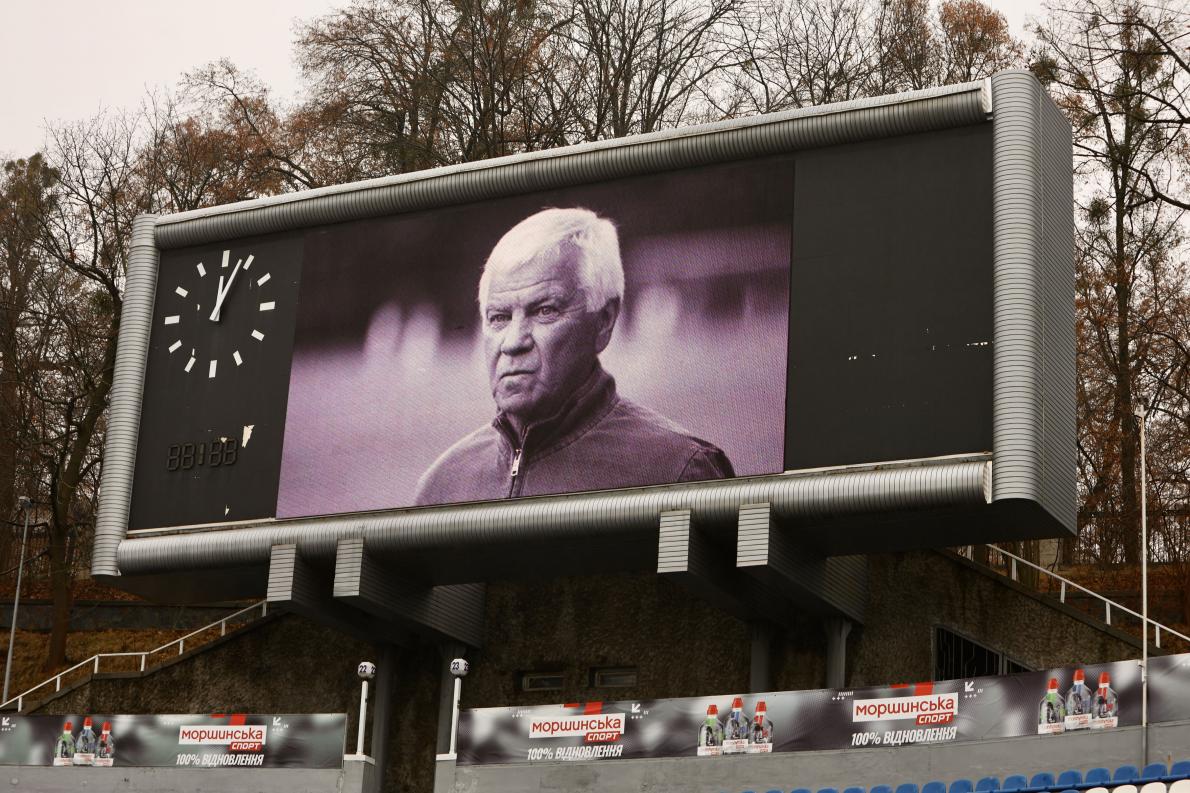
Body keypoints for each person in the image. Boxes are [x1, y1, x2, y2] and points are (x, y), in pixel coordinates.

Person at [413, 207, 733, 506]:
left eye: (544, 311)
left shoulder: (677, 473)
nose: (513, 342)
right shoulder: (441, 486)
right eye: (499, 317)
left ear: (604, 320)